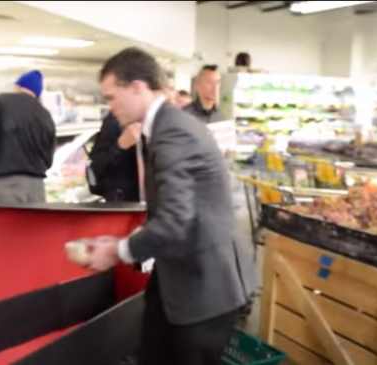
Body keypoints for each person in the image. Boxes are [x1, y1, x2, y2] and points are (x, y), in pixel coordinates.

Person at [84, 47, 256, 365]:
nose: (110, 106)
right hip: (177, 277)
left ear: (137, 87)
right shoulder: (163, 128)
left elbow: (177, 220)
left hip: (206, 286)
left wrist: (118, 251)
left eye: (112, 97)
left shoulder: (174, 132)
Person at [0, 70, 56, 204]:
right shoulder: (45, 114)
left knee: (10, 225)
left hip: (6, 183)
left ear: (19, 86)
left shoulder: (2, 101)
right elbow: (49, 154)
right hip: (37, 186)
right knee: (35, 225)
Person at [87, 112, 142, 202]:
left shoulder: (163, 121)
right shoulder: (115, 121)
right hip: (125, 202)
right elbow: (96, 166)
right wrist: (120, 146)